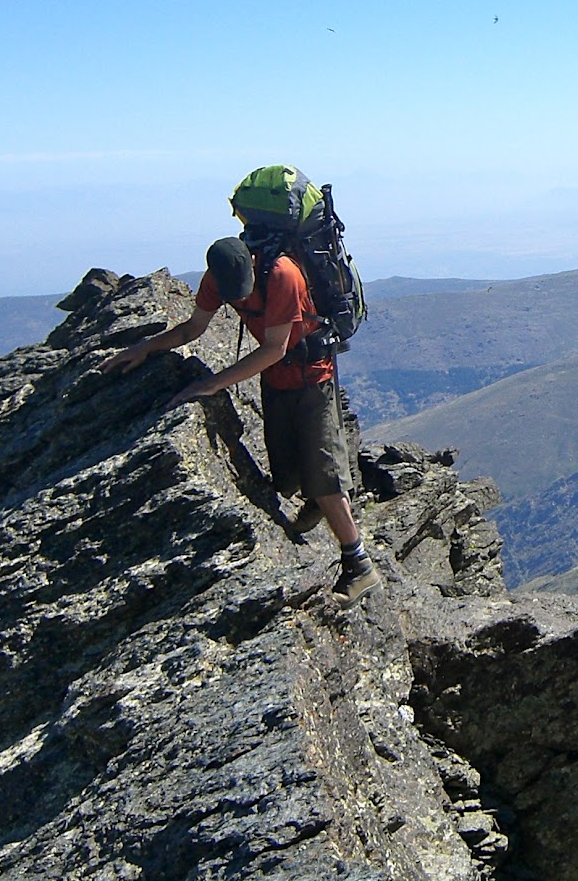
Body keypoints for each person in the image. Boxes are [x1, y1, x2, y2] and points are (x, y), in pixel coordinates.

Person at [101, 235, 380, 606]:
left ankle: (360, 566)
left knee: (324, 474)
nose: (239, 297)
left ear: (252, 261)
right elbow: (192, 328)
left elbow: (274, 348)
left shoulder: (282, 274)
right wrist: (144, 348)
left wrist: (211, 384)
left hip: (313, 376)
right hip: (277, 379)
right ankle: (317, 498)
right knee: (286, 478)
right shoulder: (217, 279)